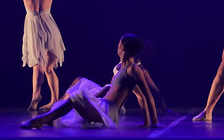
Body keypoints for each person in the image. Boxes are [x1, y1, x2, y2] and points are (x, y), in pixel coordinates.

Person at [20, 34, 160, 129]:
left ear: (123, 47)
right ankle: (47, 118)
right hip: (102, 105)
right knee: (77, 91)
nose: (117, 46)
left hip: (108, 112)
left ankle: (40, 121)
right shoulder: (121, 67)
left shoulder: (133, 69)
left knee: (77, 96)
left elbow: (146, 96)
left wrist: (152, 122)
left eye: (119, 43)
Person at [7, 0, 67, 112]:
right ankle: (54, 99)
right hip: (48, 26)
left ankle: (36, 94)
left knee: (37, 66)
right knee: (49, 67)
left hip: (32, 27)